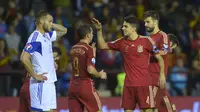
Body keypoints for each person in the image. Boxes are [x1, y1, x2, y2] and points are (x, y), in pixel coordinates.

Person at [92, 15, 165, 112]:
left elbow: (160, 59)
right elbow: (102, 46)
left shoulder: (147, 41)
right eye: (123, 26)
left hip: (144, 85)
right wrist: (99, 30)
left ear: (133, 28)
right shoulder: (121, 42)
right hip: (128, 85)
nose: (122, 28)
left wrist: (162, 74)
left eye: (125, 26)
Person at [20, 10, 67, 112]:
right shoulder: (35, 38)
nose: (51, 24)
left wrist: (51, 24)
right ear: (41, 22)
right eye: (49, 21)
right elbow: (24, 58)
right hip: (40, 83)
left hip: (50, 82)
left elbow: (64, 30)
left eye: (52, 21)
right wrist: (35, 75)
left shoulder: (46, 35)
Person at [68, 24, 107, 112]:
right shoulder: (89, 49)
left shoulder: (73, 48)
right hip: (85, 85)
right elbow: (90, 70)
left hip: (72, 86)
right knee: (98, 110)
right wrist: (100, 75)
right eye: (92, 33)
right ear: (88, 35)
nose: (93, 35)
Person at [143, 11, 177, 112]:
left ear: (155, 22)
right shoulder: (148, 39)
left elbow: (164, 51)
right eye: (145, 22)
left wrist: (150, 51)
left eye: (148, 22)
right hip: (148, 78)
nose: (145, 25)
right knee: (164, 107)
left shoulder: (163, 36)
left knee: (148, 107)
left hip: (156, 78)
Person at [19, 47, 62, 112]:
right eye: (53, 57)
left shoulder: (37, 58)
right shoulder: (44, 60)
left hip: (27, 87)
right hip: (35, 87)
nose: (55, 60)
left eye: (56, 59)